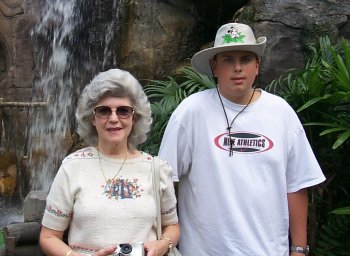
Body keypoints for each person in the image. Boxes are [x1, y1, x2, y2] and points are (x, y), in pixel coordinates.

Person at [158, 23, 326, 256]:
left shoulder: (281, 113)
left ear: (257, 66)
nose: (238, 68)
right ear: (214, 66)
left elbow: (296, 184)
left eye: (246, 59)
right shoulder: (190, 112)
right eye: (228, 59)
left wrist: (298, 249)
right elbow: (162, 185)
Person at [40, 68, 180, 256]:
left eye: (123, 111)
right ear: (93, 119)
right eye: (104, 111)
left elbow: (172, 226)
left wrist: (162, 245)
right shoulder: (73, 166)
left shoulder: (156, 168)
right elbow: (48, 237)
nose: (114, 119)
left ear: (134, 117)